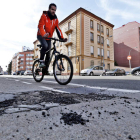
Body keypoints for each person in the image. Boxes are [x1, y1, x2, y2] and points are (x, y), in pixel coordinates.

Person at [37, 3, 67, 69]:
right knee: (45, 46)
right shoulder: (44, 16)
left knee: (48, 54)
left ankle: (45, 70)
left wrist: (61, 38)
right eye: (52, 9)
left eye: (55, 10)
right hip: (41, 35)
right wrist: (43, 34)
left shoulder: (55, 19)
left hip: (49, 38)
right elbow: (40, 26)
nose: (53, 11)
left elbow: (58, 29)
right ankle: (41, 61)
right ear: (49, 9)